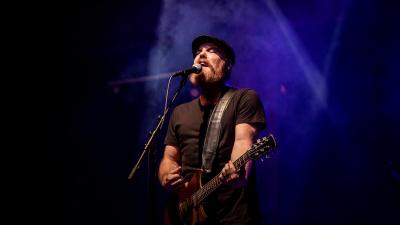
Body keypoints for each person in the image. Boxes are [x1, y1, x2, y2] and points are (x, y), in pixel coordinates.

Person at [159, 35, 267, 225]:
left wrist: (238, 170)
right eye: (198, 52)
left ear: (227, 65)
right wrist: (166, 176)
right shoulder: (179, 112)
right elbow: (169, 158)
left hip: (232, 217)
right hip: (186, 215)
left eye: (211, 51)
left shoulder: (243, 98)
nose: (201, 55)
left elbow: (243, 142)